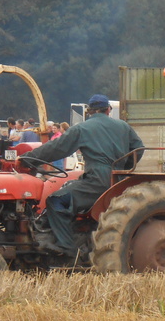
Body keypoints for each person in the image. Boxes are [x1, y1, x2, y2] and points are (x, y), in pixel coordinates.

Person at [22, 94, 144, 263]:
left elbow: (56, 148)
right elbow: (139, 148)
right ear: (109, 109)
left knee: (56, 201)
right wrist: (123, 167)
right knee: (72, 186)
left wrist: (27, 158)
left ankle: (67, 250)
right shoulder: (123, 126)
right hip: (120, 179)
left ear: (89, 111)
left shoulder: (83, 128)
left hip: (97, 179)